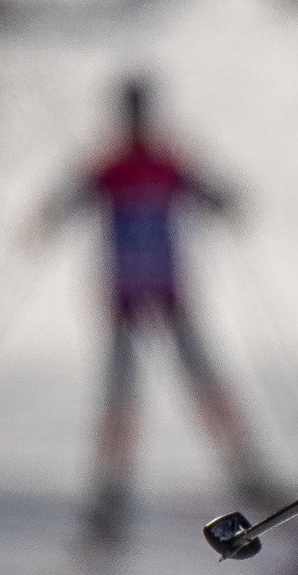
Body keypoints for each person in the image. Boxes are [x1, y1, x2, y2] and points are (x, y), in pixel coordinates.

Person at [29, 77, 277, 551]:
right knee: (126, 395)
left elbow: (208, 192)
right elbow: (70, 200)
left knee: (201, 383)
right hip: (128, 295)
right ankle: (111, 488)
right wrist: (50, 216)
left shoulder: (161, 162)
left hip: (164, 291)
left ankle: (246, 469)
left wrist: (224, 203)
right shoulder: (113, 166)